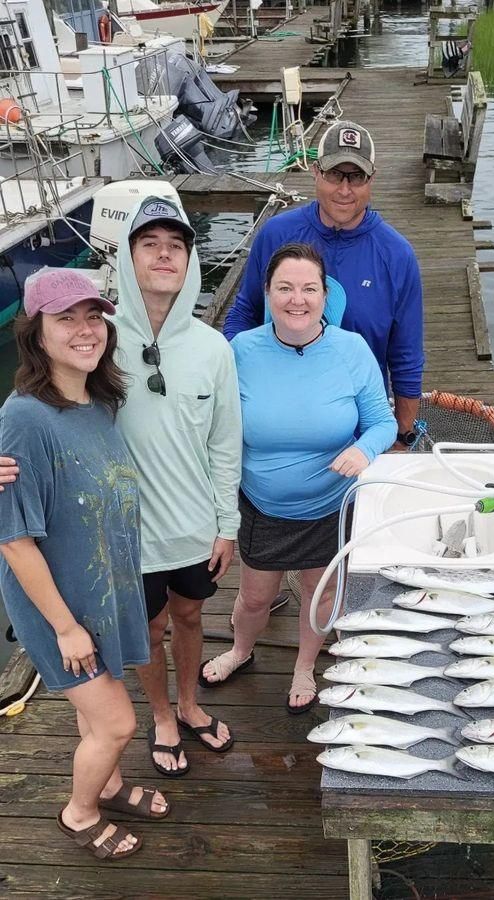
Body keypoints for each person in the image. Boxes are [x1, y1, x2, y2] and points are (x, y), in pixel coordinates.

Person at [0, 197, 243, 777]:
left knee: (189, 619)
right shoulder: (98, 337)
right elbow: (39, 410)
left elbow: (225, 444)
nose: (164, 255)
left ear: (191, 262)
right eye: (148, 244)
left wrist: (226, 524)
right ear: (127, 258)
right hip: (124, 539)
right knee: (147, 628)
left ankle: (188, 704)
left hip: (195, 527)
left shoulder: (215, 349)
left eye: (176, 246)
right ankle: (160, 715)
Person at [0, 269, 167, 861]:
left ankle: (112, 783)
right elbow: (14, 539)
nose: (84, 329)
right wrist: (66, 628)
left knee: (96, 713)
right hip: (59, 610)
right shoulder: (23, 419)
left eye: (93, 316)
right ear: (35, 334)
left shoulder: (98, 402)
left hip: (99, 596)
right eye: (65, 318)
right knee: (118, 723)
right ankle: (80, 812)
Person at [199, 243, 397, 712]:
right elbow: (210, 423)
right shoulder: (241, 350)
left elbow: (382, 422)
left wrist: (363, 449)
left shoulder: (352, 350)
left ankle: (305, 665)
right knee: (253, 598)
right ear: (267, 293)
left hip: (331, 506)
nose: (297, 299)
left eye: (309, 288)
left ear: (325, 295)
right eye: (284, 288)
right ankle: (240, 651)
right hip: (262, 507)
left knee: (320, 591)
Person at [222, 120, 425, 450]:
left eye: (356, 177)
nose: (344, 190)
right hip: (273, 422)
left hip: (358, 435)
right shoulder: (275, 234)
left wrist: (401, 436)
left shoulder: (397, 256)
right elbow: (245, 312)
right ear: (316, 172)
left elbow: (407, 356)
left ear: (371, 179)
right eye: (335, 175)